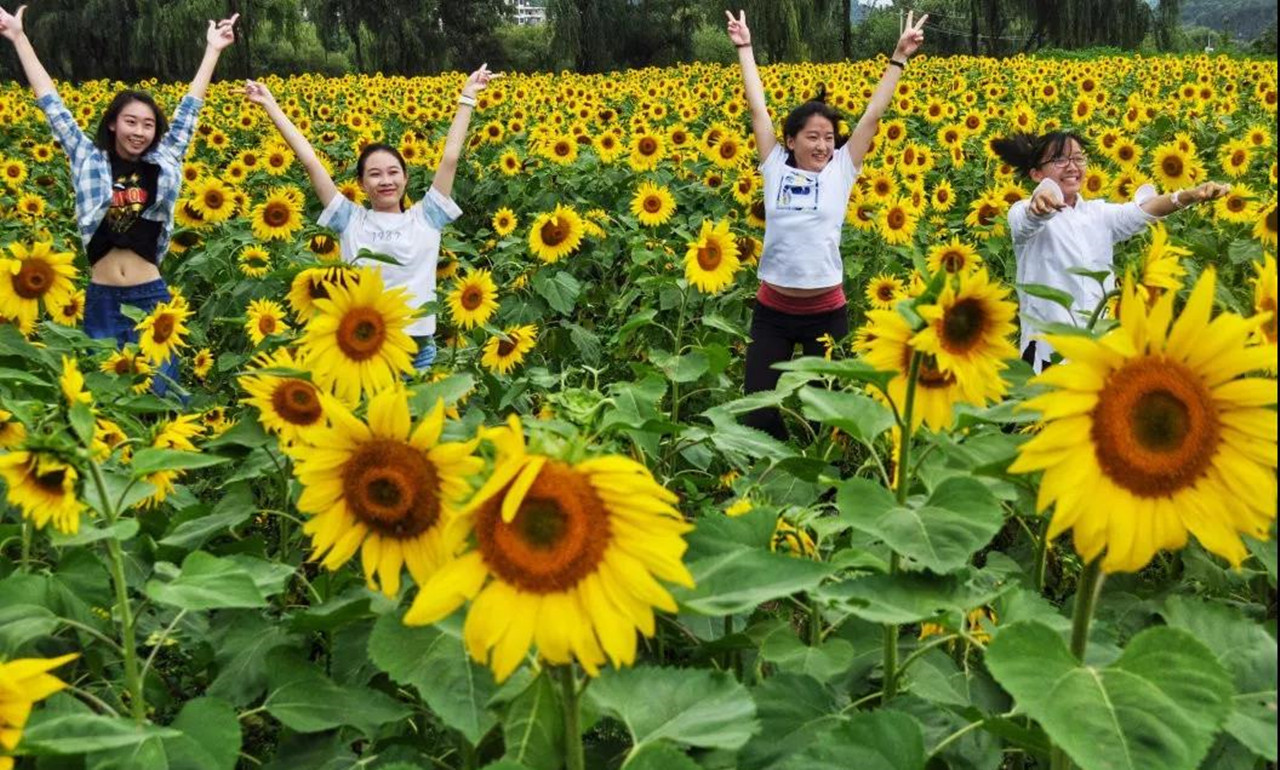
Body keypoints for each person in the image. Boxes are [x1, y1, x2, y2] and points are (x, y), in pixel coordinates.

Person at [0, 4, 237, 395]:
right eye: (131, 121)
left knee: (162, 399)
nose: (140, 131)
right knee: (107, 403)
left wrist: (212, 50)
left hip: (151, 296)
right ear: (113, 123)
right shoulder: (87, 157)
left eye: (148, 125)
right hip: (102, 297)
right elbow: (52, 104)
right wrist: (20, 38)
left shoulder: (165, 157)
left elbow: (189, 111)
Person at [727, 9, 927, 441]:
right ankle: (775, 478)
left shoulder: (841, 169)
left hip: (825, 314)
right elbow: (757, 107)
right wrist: (745, 48)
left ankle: (824, 493)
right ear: (792, 139)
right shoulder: (774, 165)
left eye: (829, 137)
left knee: (827, 417)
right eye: (813, 136)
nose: (823, 144)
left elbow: (873, 115)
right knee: (759, 410)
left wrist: (899, 57)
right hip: (773, 312)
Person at [243, 65, 498, 371]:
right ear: (362, 184)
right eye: (374, 174)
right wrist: (270, 105)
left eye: (393, 172)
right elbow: (310, 161)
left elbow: (451, 158)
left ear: (405, 177)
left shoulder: (426, 216)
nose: (385, 181)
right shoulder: (350, 220)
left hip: (417, 351)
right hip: (363, 348)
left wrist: (467, 97)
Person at [993, 131, 1230, 371]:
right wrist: (1041, 200)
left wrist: (1189, 195)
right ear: (1036, 174)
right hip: (1049, 356)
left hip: (1101, 353)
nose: (1072, 166)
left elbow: (1143, 210)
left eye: (1078, 158)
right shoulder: (1022, 211)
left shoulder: (1098, 215)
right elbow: (1028, 218)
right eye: (1059, 160)